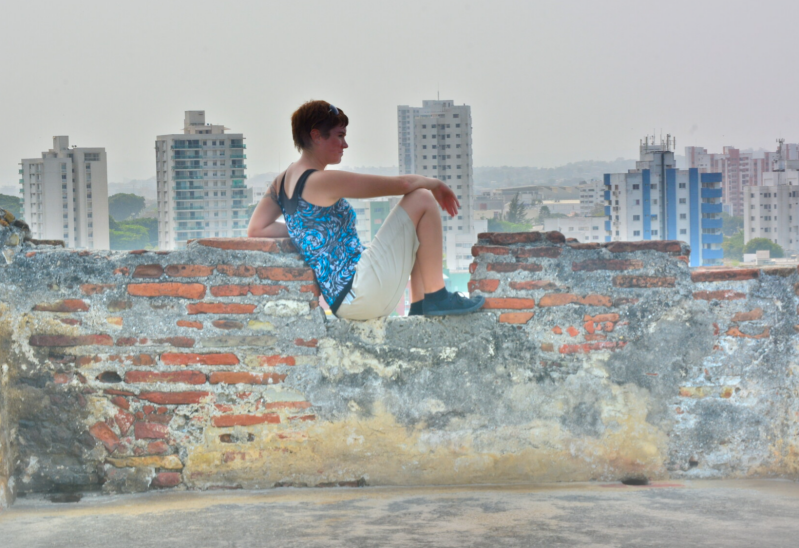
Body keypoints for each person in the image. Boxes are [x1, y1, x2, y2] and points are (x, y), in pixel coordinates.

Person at [247, 100, 485, 320]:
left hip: (346, 302)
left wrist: (309, 233)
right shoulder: (321, 181)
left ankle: (419, 306)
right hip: (361, 289)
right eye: (339, 136)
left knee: (410, 230)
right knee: (422, 198)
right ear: (316, 136)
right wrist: (435, 184)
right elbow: (402, 185)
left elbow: (257, 229)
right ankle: (437, 297)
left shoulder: (282, 181)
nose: (345, 144)